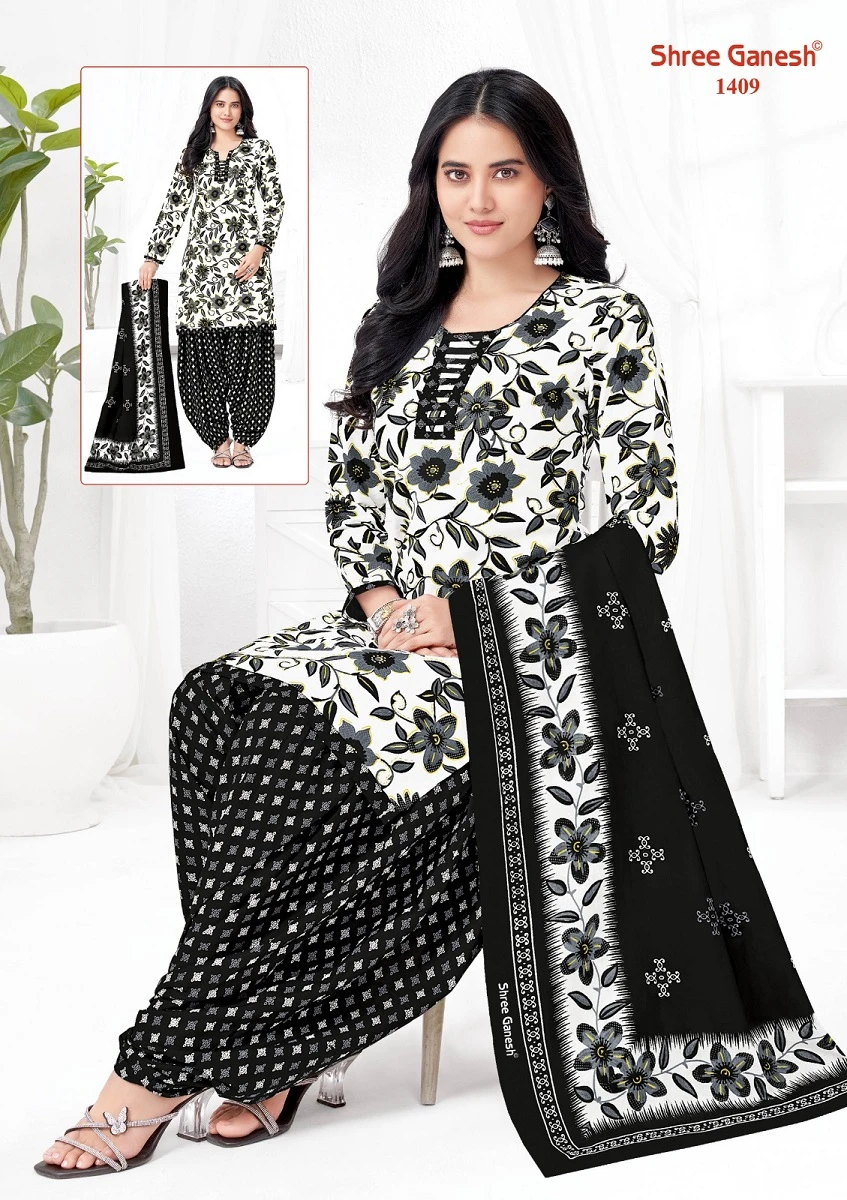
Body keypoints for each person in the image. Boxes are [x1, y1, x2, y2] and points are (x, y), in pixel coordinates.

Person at [37, 68, 847, 1180]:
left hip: (524, 652)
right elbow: (353, 499)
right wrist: (383, 605)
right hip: (386, 634)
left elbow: (647, 527)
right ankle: (275, 1038)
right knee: (211, 703)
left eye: (505, 171)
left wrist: (466, 621)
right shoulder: (397, 321)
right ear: (430, 185)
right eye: (456, 173)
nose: (479, 197)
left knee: (297, 747)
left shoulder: (600, 321)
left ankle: (149, 1074)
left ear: (549, 181)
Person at [139, 75, 284, 469]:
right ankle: (219, 440)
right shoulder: (193, 154)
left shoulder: (259, 151)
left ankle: (245, 441)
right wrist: (153, 257)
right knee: (202, 363)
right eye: (220, 104)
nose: (227, 111)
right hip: (201, 276)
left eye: (234, 104)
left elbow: (274, 203)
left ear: (243, 109)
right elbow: (173, 208)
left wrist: (260, 248)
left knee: (250, 360)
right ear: (209, 108)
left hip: (247, 272)